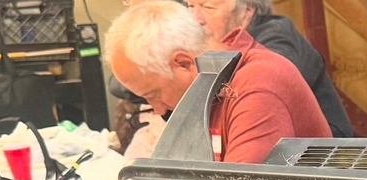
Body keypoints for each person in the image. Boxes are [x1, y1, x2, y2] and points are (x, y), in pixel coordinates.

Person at [104, 0, 330, 163]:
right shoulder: (209, 86)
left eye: (154, 94)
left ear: (183, 63)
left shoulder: (256, 85)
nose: (159, 109)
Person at [188, 0, 353, 138]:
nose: (196, 19)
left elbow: (263, 94)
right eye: (190, 6)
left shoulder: (276, 37)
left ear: (247, 10)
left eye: (208, 7)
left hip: (326, 149)